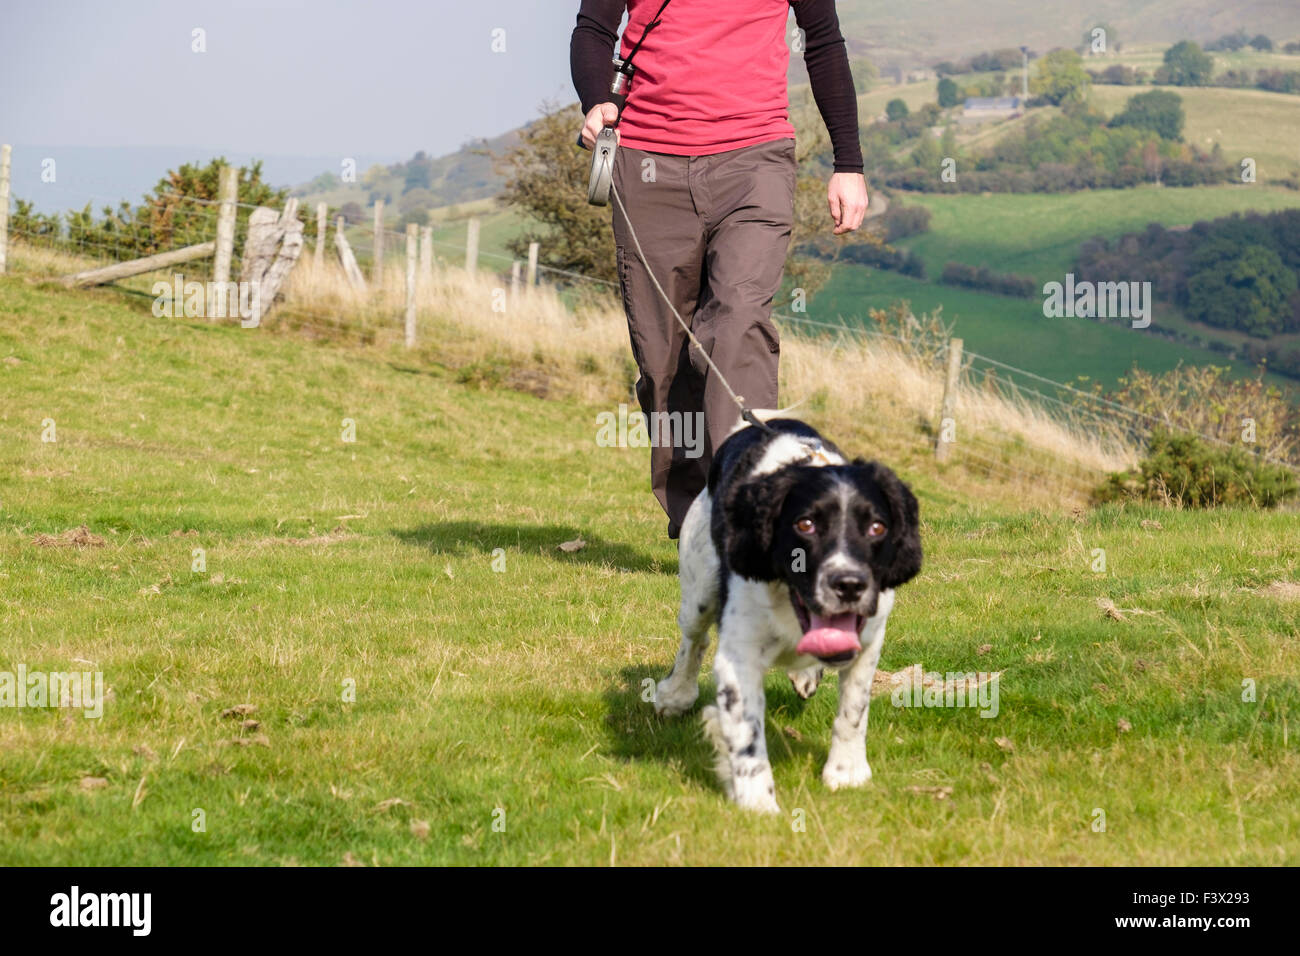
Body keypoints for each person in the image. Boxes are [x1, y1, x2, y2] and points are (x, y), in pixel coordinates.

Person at [571, 0, 866, 539]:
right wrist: (596, 102)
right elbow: (592, 30)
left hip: (755, 161)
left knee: (738, 323)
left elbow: (823, 40)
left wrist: (848, 163)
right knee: (663, 363)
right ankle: (693, 521)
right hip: (648, 165)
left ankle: (746, 514)